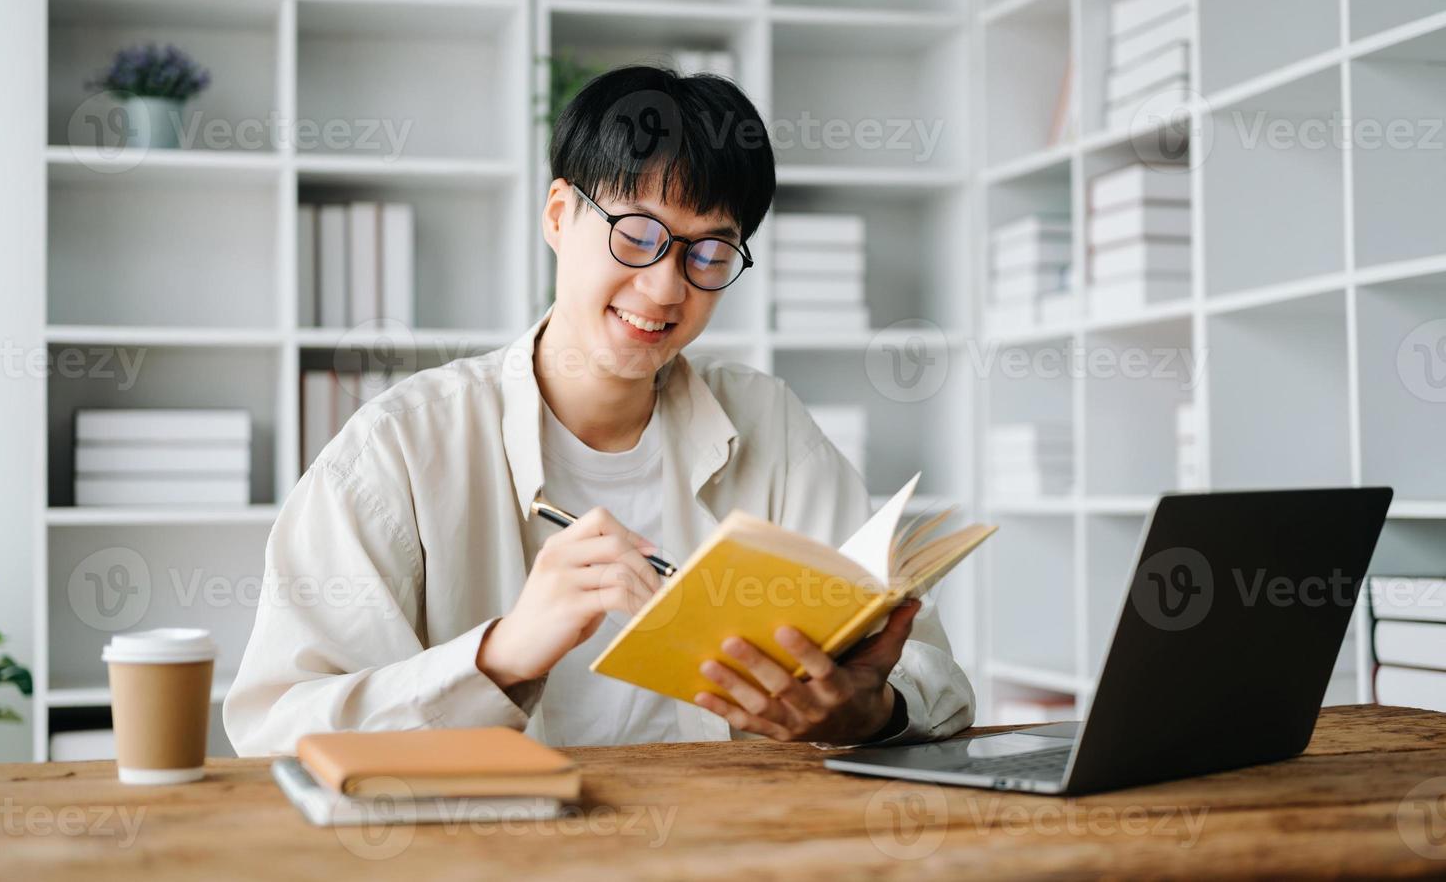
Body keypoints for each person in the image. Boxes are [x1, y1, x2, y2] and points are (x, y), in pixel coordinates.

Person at [223, 66, 975, 755]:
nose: (665, 289)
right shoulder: (399, 446)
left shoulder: (767, 423)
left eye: (709, 252)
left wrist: (869, 710)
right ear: (558, 215)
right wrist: (501, 654)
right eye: (638, 235)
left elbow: (937, 679)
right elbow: (276, 729)